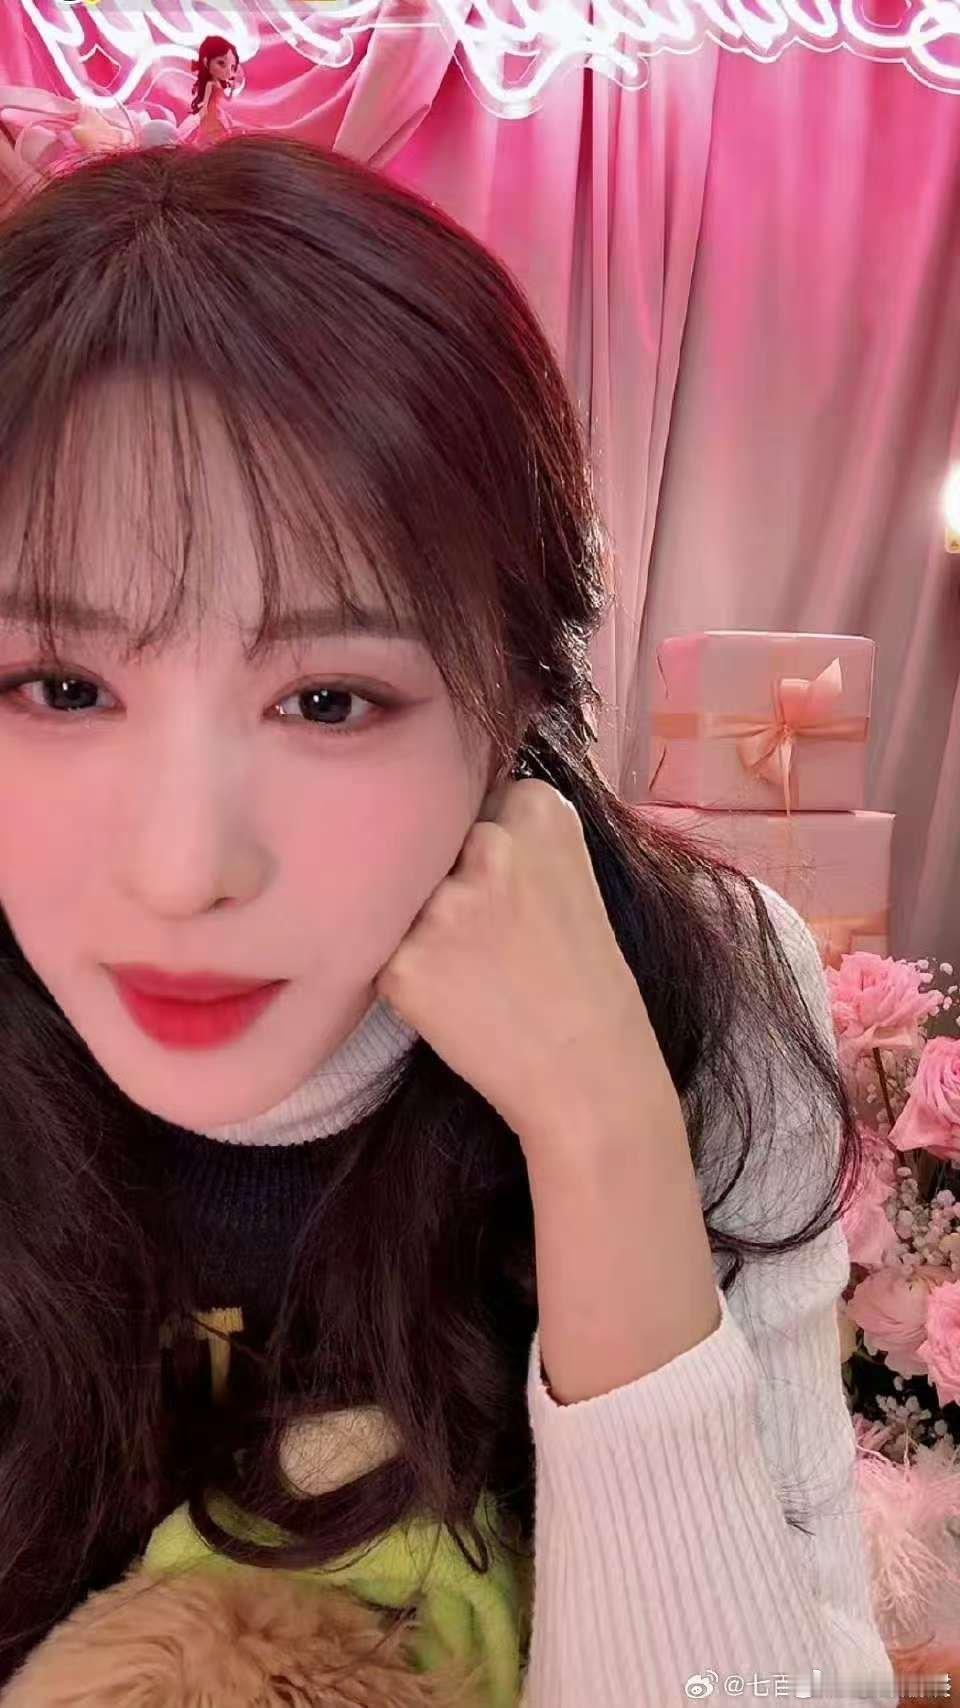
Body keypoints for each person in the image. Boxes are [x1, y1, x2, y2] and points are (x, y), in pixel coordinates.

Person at [0, 137, 895, 1706]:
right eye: (62, 687)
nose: (182, 873)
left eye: (329, 699)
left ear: (520, 702)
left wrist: (603, 1135)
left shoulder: (700, 981)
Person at [181, 35, 239, 148]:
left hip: (218, 111)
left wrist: (232, 90)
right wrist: (203, 112)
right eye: (221, 63)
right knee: (212, 137)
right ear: (206, 62)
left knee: (221, 137)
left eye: (232, 67)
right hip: (210, 111)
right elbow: (205, 99)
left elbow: (228, 98)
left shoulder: (221, 84)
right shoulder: (210, 84)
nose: (228, 71)